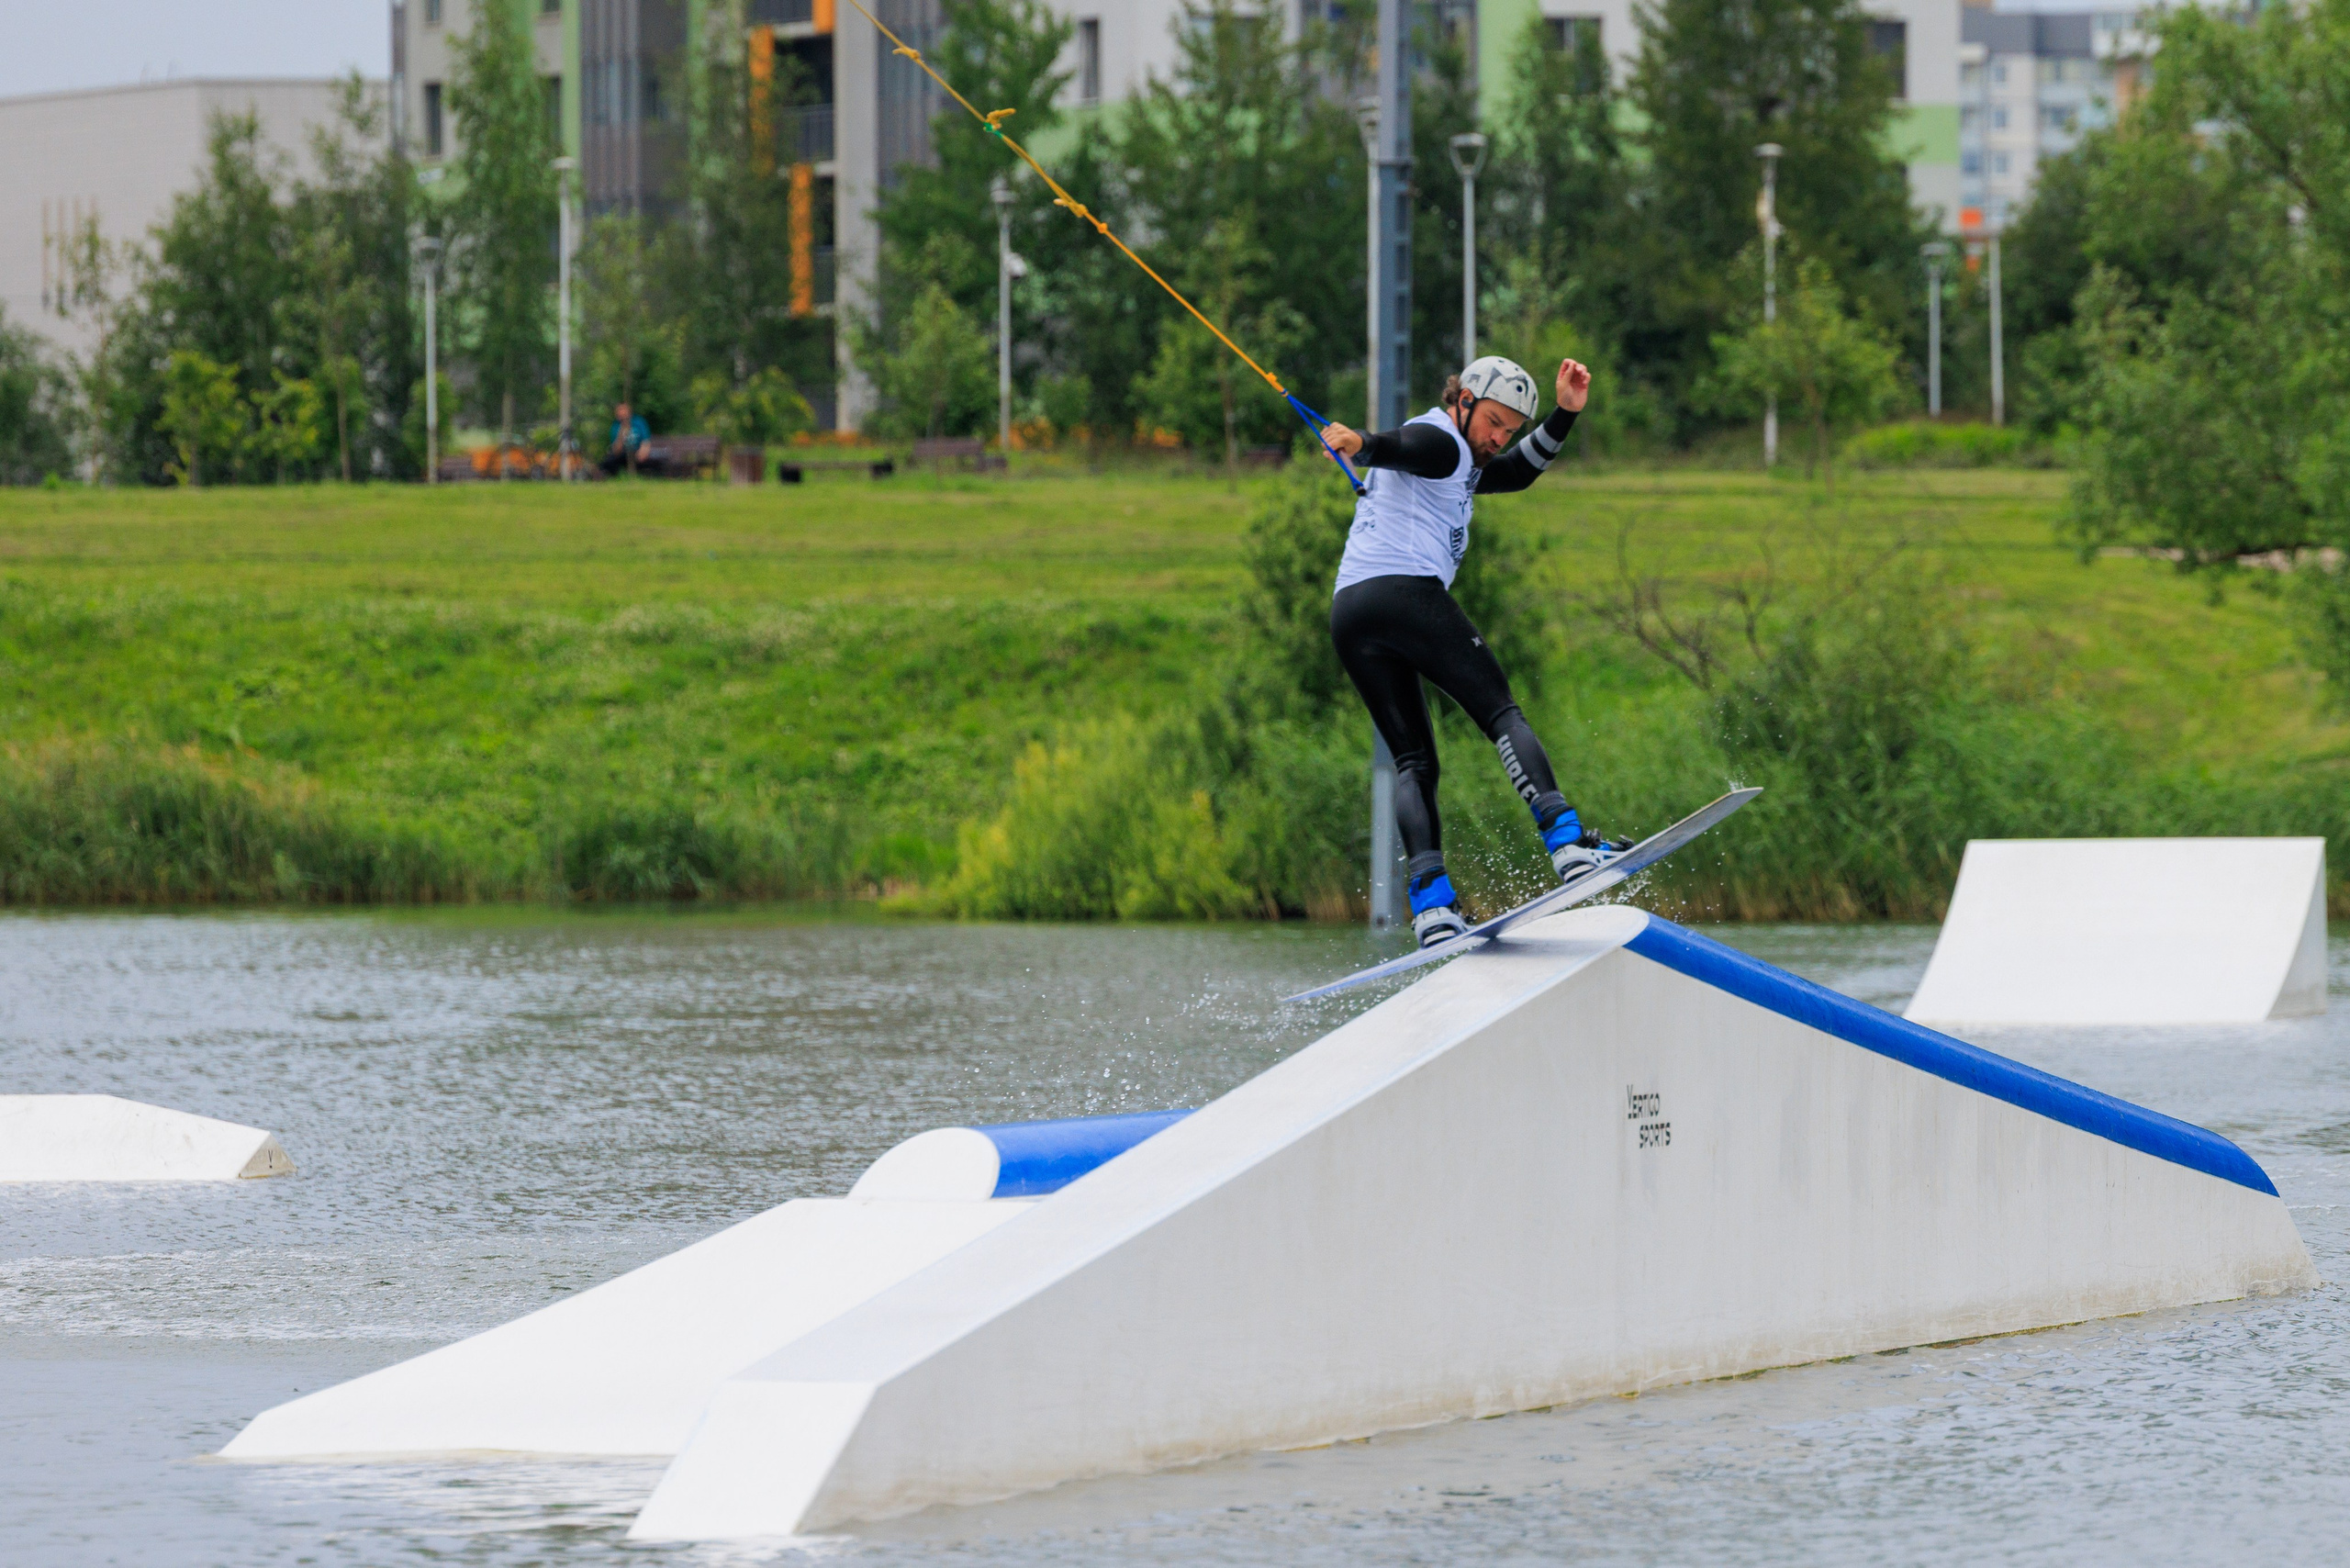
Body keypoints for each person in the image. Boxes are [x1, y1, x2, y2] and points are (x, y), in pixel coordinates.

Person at [1319, 354, 1628, 948]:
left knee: (1414, 761)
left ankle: (1432, 903)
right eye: (1492, 421)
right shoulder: (1442, 439)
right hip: (1405, 592)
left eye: (1508, 428)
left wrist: (1564, 416)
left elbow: (1514, 472)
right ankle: (1566, 842)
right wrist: (1364, 442)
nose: (1497, 437)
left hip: (1352, 613)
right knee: (1500, 711)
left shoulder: (1465, 460)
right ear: (1461, 399)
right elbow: (1409, 447)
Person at [600, 402, 653, 476]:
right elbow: (616, 450)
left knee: (649, 464)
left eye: (623, 410)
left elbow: (646, 440)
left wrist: (643, 451)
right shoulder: (616, 426)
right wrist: (622, 431)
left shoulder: (639, 422)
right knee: (608, 462)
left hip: (637, 451)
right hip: (623, 453)